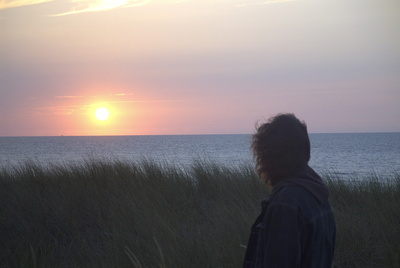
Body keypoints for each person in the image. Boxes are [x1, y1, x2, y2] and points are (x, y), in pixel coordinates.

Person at [243, 113, 336, 268]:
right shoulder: (319, 196)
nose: (259, 161)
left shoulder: (285, 204)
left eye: (261, 154)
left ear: (271, 155)